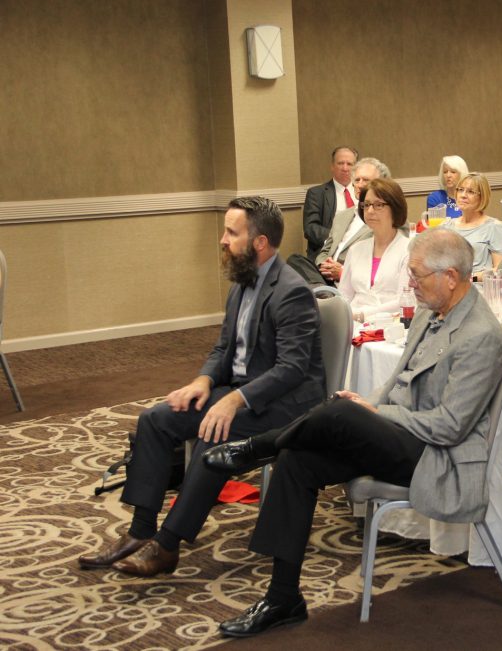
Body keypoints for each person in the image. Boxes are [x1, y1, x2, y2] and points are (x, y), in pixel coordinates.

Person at [202, 229, 502, 637]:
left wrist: (373, 412)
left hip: (438, 457)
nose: (411, 284)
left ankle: (257, 448)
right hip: (400, 436)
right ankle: (282, 598)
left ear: (451, 277)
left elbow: (451, 426)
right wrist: (370, 404)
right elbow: (396, 383)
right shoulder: (429, 312)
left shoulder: (481, 335)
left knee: (342, 413)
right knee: (298, 460)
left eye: (417, 275)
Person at [78, 197, 325, 576]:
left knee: (214, 435)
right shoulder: (241, 285)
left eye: (232, 232)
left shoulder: (291, 291)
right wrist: (203, 381)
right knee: (156, 419)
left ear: (260, 242)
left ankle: (167, 545)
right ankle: (140, 532)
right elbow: (224, 348)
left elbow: (291, 370)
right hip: (241, 393)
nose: (223, 240)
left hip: (285, 404)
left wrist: (234, 401)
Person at [337, 178, 411, 322]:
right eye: (366, 205)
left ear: (395, 208)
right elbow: (344, 297)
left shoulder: (409, 250)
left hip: (391, 325)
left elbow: (405, 300)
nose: (370, 211)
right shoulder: (355, 250)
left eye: (378, 205)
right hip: (353, 325)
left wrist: (362, 315)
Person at [315, 157, 390, 284]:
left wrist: (342, 272)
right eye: (357, 180)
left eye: (366, 180)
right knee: (296, 260)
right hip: (326, 277)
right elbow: (325, 251)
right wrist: (325, 265)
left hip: (353, 281)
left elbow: (384, 266)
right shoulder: (342, 216)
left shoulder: (386, 219)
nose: (360, 185)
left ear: (381, 184)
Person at [441, 172, 502, 278]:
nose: (463, 195)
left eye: (470, 192)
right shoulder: (446, 226)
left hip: (477, 284)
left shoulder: (494, 227)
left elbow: (501, 271)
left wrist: (470, 278)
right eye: (460, 190)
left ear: (482, 197)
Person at [302, 146, 358, 259]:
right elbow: (311, 228)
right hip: (328, 253)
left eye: (349, 164)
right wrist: (338, 238)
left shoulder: (365, 192)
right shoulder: (317, 193)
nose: (345, 168)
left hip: (359, 251)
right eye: (340, 163)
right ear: (332, 166)